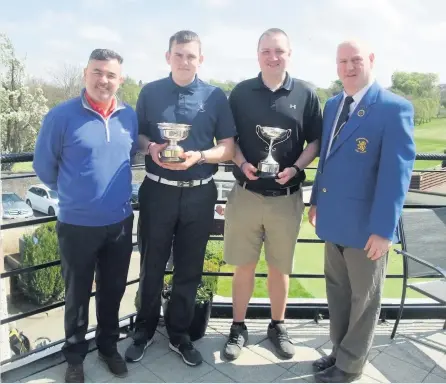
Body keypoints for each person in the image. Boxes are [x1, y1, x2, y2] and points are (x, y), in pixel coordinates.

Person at [125, 30, 236, 367]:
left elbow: (228, 147)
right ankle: (143, 330)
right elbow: (140, 135)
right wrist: (153, 147)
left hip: (199, 194)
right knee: (151, 265)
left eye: (191, 55)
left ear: (200, 59)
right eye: (179, 54)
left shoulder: (216, 96)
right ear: (168, 56)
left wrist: (200, 156)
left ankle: (179, 334)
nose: (185, 60)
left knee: (189, 269)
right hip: (157, 190)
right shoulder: (151, 91)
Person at [309, 40, 416, 383]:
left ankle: (351, 367)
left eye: (356, 59)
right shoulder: (333, 105)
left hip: (367, 228)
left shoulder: (393, 108)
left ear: (371, 60)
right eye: (342, 61)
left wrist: (385, 230)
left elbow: (396, 175)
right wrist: (315, 201)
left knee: (364, 301)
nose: (349, 67)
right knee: (338, 295)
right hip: (333, 220)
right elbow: (325, 158)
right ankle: (339, 352)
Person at [33, 49, 138, 383]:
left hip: (120, 223)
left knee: (112, 291)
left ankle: (108, 347)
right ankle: (75, 357)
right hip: (77, 225)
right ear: (85, 74)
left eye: (110, 74)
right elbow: (44, 168)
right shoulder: (61, 116)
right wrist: (76, 195)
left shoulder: (129, 117)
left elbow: (130, 156)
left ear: (120, 79)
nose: (103, 80)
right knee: (77, 296)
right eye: (97, 72)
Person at [222, 28, 322, 361]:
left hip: (287, 198)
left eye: (278, 51)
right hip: (246, 193)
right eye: (266, 51)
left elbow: (316, 141)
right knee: (243, 266)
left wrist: (295, 168)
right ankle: (238, 327)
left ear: (289, 54)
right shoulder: (240, 92)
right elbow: (228, 139)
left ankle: (277, 326)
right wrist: (242, 162)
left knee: (280, 269)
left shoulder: (306, 93)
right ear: (258, 54)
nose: (272, 56)